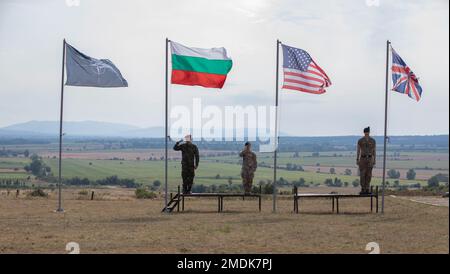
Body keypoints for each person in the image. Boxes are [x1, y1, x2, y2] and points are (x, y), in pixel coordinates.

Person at [356, 127, 376, 194]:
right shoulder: (360, 140)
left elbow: (374, 151)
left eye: (367, 132)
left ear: (369, 132)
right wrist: (357, 159)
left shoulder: (373, 141)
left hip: (370, 159)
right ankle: (363, 188)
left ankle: (367, 188)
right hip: (362, 159)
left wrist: (374, 159)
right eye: (365, 132)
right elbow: (358, 150)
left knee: (369, 175)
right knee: (362, 174)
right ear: (364, 133)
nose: (366, 133)